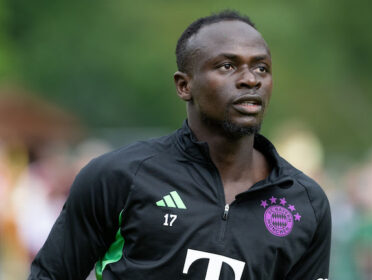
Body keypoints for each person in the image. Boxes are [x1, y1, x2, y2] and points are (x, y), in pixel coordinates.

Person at [29, 10, 331, 280]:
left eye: (261, 68)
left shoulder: (305, 203)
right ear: (184, 85)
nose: (250, 79)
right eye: (227, 66)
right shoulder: (119, 177)